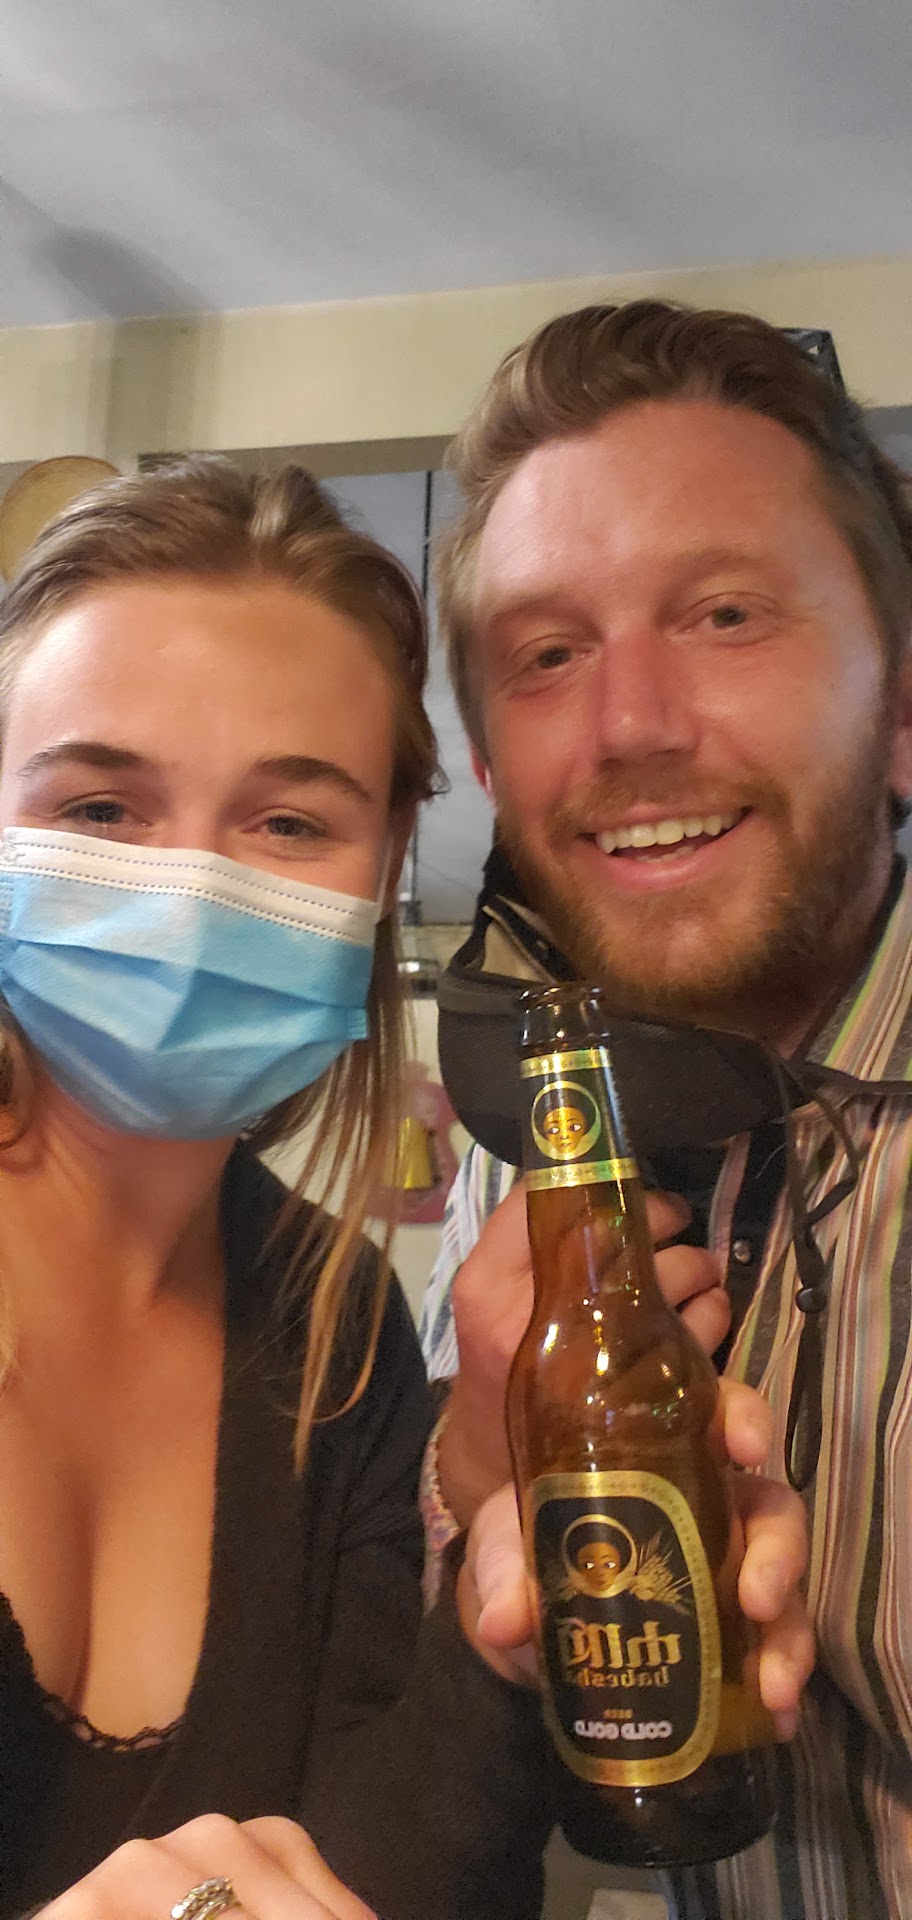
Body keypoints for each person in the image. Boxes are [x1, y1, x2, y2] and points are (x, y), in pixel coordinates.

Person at [0, 453, 808, 1920]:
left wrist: (511, 1601)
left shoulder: (339, 1328)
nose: (192, 893)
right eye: (102, 808)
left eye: (289, 824)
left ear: (381, 878)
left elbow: (386, 1864)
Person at [420, 299, 912, 1918]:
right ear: (493, 771)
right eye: (548, 655)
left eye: (725, 614)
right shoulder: (534, 1159)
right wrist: (474, 1474)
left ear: (903, 705)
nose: (631, 725)